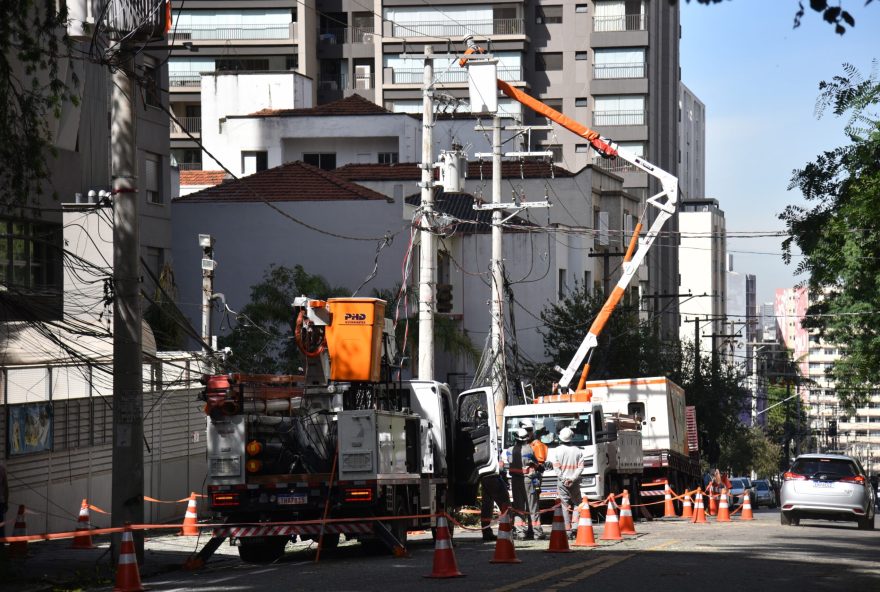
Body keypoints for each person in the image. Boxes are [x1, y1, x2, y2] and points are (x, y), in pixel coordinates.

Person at [503, 428, 542, 540]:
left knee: (518, 507)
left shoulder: (509, 450)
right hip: (527, 480)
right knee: (532, 506)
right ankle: (536, 532)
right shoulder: (529, 450)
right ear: (526, 438)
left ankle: (520, 532)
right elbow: (535, 463)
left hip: (515, 481)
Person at [552, 427, 584, 539]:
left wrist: (564, 479)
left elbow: (556, 468)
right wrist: (573, 479)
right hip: (574, 482)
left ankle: (567, 530)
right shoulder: (578, 450)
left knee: (564, 505)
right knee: (577, 503)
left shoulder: (557, 450)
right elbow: (580, 468)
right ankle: (575, 527)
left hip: (562, 482)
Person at [520, 419, 547, 540]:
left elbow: (540, 463)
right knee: (526, 506)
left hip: (532, 478)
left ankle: (533, 530)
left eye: (530, 430)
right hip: (523, 479)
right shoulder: (523, 446)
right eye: (526, 430)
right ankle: (531, 530)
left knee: (532, 505)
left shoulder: (537, 445)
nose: (528, 432)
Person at [480, 469, 511, 542]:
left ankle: (486, 533)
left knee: (487, 506)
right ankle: (508, 531)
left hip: (484, 477)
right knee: (505, 504)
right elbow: (500, 466)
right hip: (494, 477)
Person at [0, 461, 8, 546]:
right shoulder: (2, 468)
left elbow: (6, 488)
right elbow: (6, 488)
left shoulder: (1, 468)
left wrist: (6, 502)